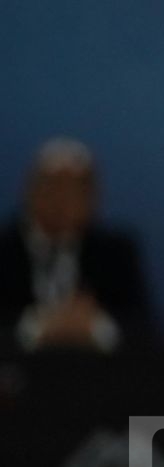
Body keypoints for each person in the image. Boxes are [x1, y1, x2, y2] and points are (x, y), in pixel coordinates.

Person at [0, 138, 153, 354]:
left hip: (96, 379)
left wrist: (97, 327)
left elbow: (145, 330)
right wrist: (35, 328)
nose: (64, 198)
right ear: (30, 190)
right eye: (54, 186)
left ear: (94, 198)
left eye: (77, 188)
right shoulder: (5, 249)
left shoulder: (114, 252)